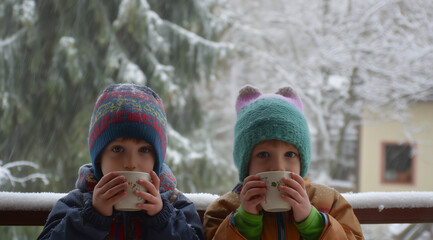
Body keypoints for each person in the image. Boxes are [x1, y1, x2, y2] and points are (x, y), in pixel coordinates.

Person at [38, 83, 204, 240]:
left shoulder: (175, 204)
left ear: (157, 160)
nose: (130, 163)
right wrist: (92, 217)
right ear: (98, 157)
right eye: (117, 149)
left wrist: (162, 219)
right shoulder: (77, 203)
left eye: (144, 150)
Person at [203, 85, 364, 239]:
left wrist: (313, 223)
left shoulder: (329, 203)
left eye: (290, 154)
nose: (278, 167)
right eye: (264, 154)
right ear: (246, 164)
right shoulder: (224, 209)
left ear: (303, 161)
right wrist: (244, 223)